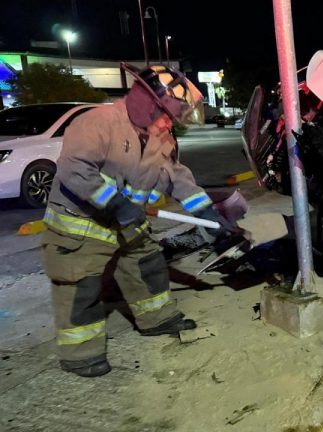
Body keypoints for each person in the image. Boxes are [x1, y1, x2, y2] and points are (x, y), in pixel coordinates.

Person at [41, 64, 235, 377]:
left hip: (127, 223)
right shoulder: (98, 123)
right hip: (81, 226)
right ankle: (81, 354)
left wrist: (204, 210)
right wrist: (116, 203)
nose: (166, 124)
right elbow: (74, 170)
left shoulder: (160, 136)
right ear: (146, 102)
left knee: (147, 265)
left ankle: (156, 319)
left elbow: (175, 176)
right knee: (82, 288)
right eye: (165, 115)